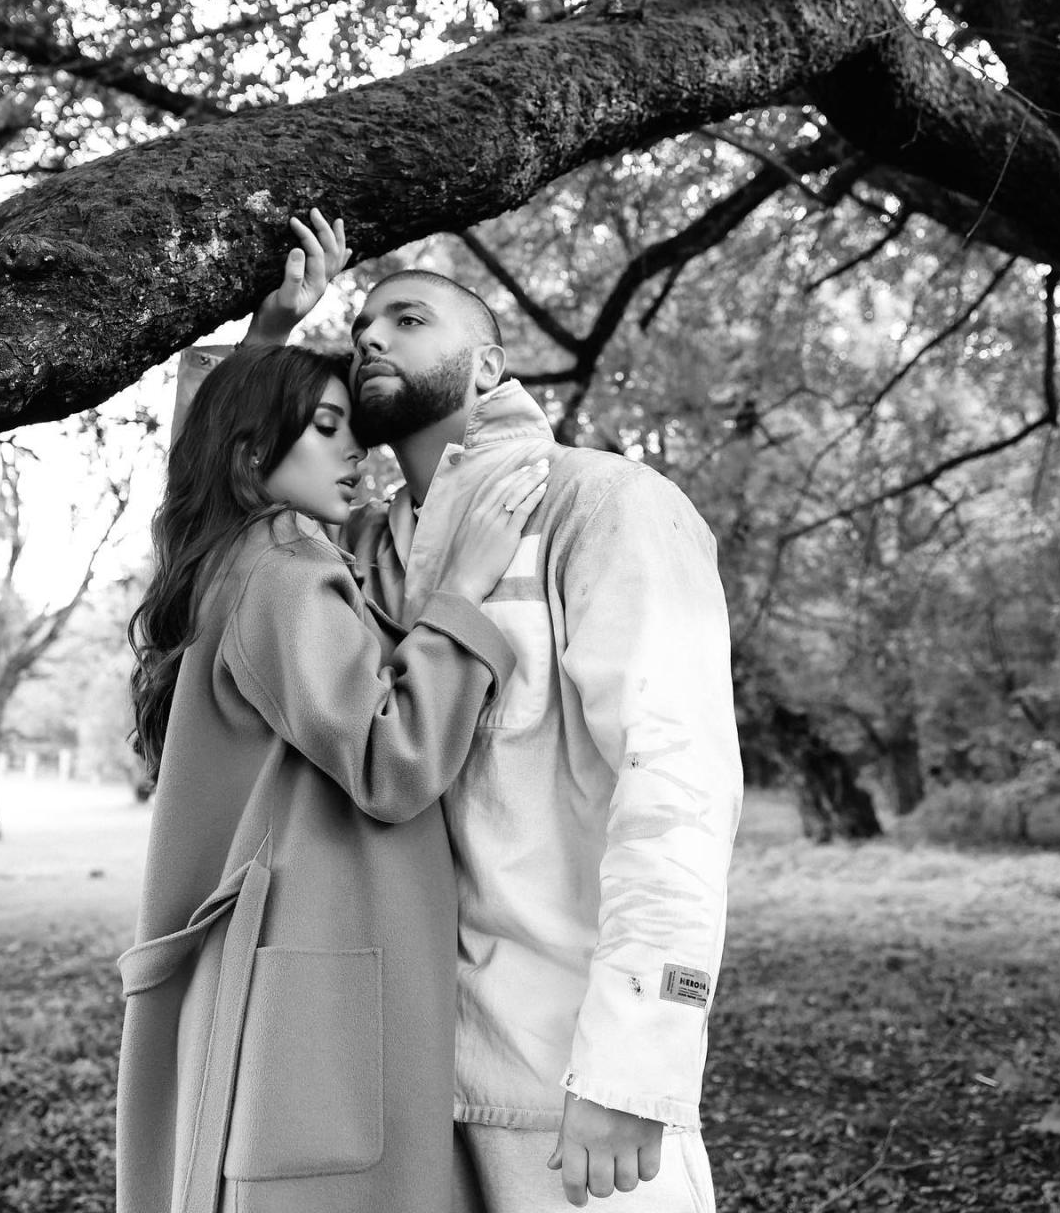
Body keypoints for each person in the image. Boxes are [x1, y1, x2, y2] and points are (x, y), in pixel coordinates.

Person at [236, 211, 745, 1211]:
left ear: (488, 365)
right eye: (360, 327)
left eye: (408, 318)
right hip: (399, 1089)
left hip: (569, 1092)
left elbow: (677, 791)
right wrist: (266, 340)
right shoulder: (352, 552)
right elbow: (217, 519)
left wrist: (634, 1065)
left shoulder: (606, 505)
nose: (370, 338)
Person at [117, 341, 550, 1213]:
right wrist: (464, 592)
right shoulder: (282, 568)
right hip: (316, 981)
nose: (357, 450)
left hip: (288, 973)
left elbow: (205, 448)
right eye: (325, 427)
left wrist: (269, 325)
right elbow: (392, 760)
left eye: (354, 429)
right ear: (250, 452)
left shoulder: (228, 560)